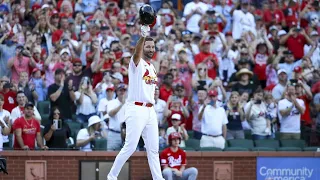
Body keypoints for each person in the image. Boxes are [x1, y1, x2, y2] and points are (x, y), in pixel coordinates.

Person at [107, 24, 164, 180]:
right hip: (136, 108)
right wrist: (143, 37)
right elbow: (136, 54)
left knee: (153, 149)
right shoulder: (136, 63)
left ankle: (158, 178)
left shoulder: (152, 67)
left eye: (153, 47)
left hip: (150, 109)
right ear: (142, 47)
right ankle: (111, 176)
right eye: (148, 46)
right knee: (130, 146)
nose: (151, 49)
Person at [106, 84, 127, 151]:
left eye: (124, 90)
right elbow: (111, 114)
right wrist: (121, 104)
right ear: (117, 92)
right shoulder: (112, 102)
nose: (122, 92)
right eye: (120, 90)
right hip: (114, 134)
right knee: (110, 156)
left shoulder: (129, 104)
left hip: (125, 135)